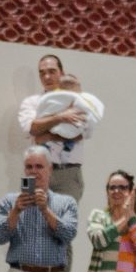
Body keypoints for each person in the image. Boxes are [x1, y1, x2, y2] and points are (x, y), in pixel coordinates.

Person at [0, 148, 81, 272]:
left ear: (50, 169)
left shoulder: (66, 203)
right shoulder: (10, 201)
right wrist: (16, 211)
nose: (34, 171)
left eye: (39, 166)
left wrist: (46, 210)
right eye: (29, 167)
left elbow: (68, 234)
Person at [16, 52, 100, 201]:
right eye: (42, 73)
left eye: (52, 71)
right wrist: (60, 117)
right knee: (27, 213)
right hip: (33, 172)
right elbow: (32, 129)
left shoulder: (78, 101)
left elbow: (82, 134)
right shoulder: (31, 102)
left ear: (62, 73)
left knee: (64, 216)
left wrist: (45, 134)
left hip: (68, 172)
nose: (47, 77)